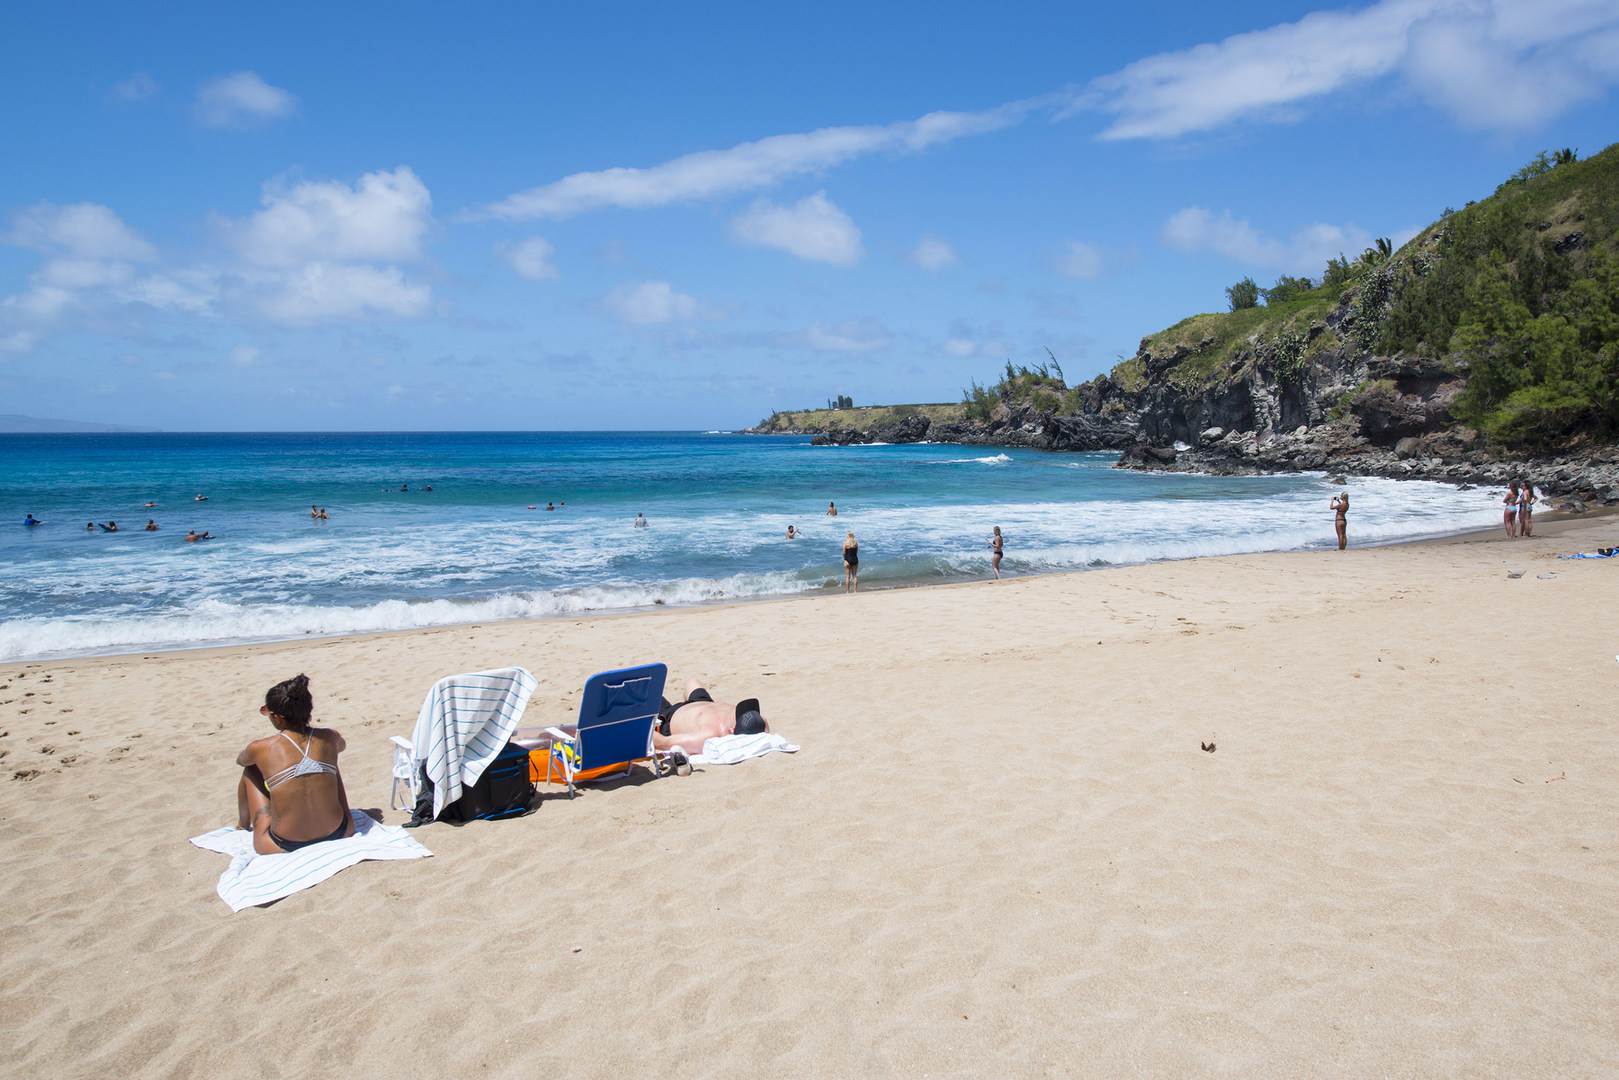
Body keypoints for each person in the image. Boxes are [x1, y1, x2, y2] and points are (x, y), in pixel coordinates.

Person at [235, 674, 355, 854]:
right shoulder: (330, 737)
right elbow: (341, 746)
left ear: (277, 718)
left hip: (282, 844)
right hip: (341, 831)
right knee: (330, 763)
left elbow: (241, 760)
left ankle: (243, 824)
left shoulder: (259, 747)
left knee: (250, 770)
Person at [652, 678, 771, 757]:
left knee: (647, 692)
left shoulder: (708, 735)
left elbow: (663, 743)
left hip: (669, 717)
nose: (736, 711)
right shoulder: (760, 722)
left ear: (732, 730)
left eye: (738, 715)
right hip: (703, 702)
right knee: (693, 682)